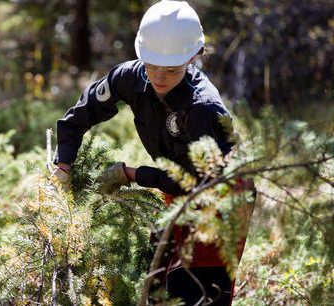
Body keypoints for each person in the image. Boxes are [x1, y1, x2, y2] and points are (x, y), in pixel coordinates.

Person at [52, 1, 254, 305]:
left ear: (192, 57)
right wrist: (63, 163)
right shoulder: (129, 77)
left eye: (171, 70)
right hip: (173, 187)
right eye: (151, 66)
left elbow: (196, 183)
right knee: (158, 286)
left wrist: (132, 174)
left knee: (197, 292)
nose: (158, 78)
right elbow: (78, 116)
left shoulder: (202, 109)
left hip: (219, 197)